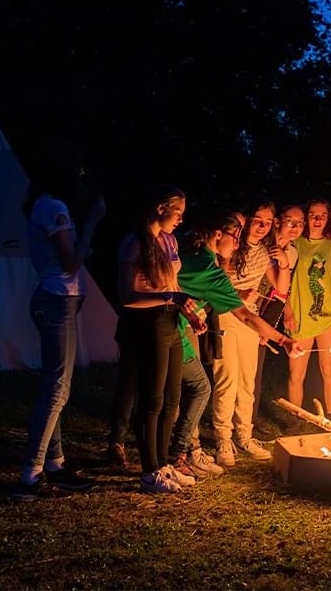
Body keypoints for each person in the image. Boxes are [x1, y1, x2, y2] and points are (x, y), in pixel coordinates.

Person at [173, 211, 302, 472]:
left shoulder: (197, 256)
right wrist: (283, 340)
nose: (236, 243)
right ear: (218, 235)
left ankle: (186, 452)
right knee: (196, 388)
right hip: (172, 328)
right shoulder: (210, 267)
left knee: (191, 389)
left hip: (174, 324)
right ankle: (188, 451)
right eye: (235, 237)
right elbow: (242, 313)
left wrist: (187, 309)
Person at [14, 156, 106, 501]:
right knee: (57, 389)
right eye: (79, 173)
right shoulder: (53, 206)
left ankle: (54, 464)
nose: (82, 180)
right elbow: (71, 261)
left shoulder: (43, 204)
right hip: (56, 300)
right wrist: (93, 224)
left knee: (55, 386)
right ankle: (30, 475)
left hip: (53, 299)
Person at [115, 184, 204, 494]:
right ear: (160, 208)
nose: (180, 218)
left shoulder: (169, 240)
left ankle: (164, 463)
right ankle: (149, 470)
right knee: (152, 399)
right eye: (177, 212)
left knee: (173, 397)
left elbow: (174, 284)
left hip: (170, 321)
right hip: (147, 322)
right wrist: (168, 296)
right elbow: (126, 296)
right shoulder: (134, 243)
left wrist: (187, 310)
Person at [213, 200, 290, 465]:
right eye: (258, 219)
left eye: (268, 222)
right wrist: (238, 293)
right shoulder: (234, 246)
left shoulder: (266, 252)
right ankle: (223, 437)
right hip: (227, 313)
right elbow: (217, 281)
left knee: (248, 380)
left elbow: (281, 289)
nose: (262, 226)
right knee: (227, 377)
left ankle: (244, 435)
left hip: (250, 318)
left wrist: (284, 265)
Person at [285, 199, 331, 420]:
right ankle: (295, 418)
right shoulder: (295, 244)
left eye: (322, 215)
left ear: (328, 218)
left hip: (327, 316)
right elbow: (285, 282)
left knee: (329, 368)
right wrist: (287, 310)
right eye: (313, 214)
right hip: (300, 316)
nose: (318, 219)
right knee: (296, 373)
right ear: (306, 217)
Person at [251, 203, 305, 437]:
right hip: (245, 309)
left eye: (300, 223)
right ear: (278, 222)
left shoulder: (291, 253)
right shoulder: (263, 245)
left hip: (264, 314)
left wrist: (268, 328)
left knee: (256, 371)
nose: (295, 227)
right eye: (290, 221)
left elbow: (280, 294)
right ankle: (239, 424)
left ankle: (248, 422)